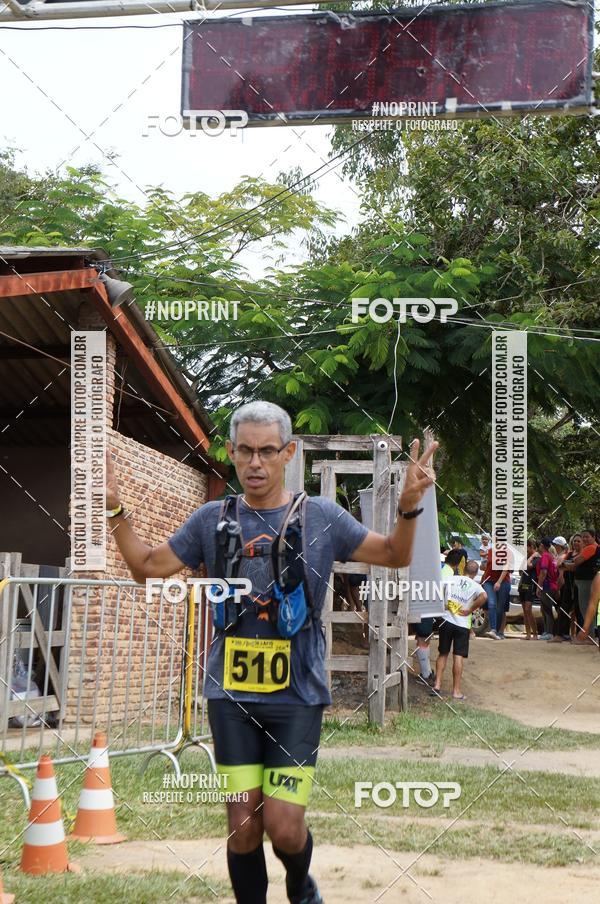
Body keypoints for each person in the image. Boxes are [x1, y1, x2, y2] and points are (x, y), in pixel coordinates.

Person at [105, 400, 438, 904]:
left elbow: (396, 554)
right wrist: (114, 509)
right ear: (233, 454)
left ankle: (300, 887)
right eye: (244, 452)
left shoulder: (322, 517)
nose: (255, 463)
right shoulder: (210, 520)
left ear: (289, 453)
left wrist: (409, 505)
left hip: (297, 696)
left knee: (283, 826)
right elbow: (147, 567)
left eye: (266, 451)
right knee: (242, 825)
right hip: (230, 696)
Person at [431, 555, 486, 700]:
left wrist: (444, 604)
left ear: (464, 568)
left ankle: (437, 685)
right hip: (462, 625)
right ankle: (456, 691)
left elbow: (436, 587)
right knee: (458, 656)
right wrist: (470, 609)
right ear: (475, 573)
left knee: (443, 653)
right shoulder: (475, 586)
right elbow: (484, 597)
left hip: (446, 621)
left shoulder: (452, 579)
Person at [560, 529, 600, 631]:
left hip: (586, 582)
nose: (584, 539)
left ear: (594, 537)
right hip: (587, 582)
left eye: (587, 536)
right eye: (583, 537)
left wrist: (564, 565)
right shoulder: (594, 548)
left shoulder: (590, 548)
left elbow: (576, 561)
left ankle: (589, 636)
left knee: (585, 609)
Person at [480, 545, 511, 639]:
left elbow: (506, 567)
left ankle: (499, 631)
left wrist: (499, 582)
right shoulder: (490, 551)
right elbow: (486, 568)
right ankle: (493, 630)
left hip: (503, 582)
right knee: (491, 603)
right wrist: (483, 580)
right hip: (489, 581)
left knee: (500, 608)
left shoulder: (507, 552)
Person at [549, 536, 572, 642]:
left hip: (562, 587)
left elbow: (561, 576)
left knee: (562, 610)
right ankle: (563, 633)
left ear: (559, 546)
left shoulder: (563, 557)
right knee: (560, 610)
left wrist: (558, 589)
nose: (553, 546)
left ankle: (562, 633)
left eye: (555, 544)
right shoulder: (559, 556)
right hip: (558, 586)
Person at [535, 538, 559, 641]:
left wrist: (539, 586)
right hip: (552, 585)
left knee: (547, 610)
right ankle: (547, 631)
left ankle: (549, 632)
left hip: (547, 586)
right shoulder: (551, 556)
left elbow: (543, 572)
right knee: (545, 609)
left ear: (542, 545)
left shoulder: (545, 556)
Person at [517, 538, 540, 640]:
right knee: (524, 611)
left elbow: (528, 566)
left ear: (531, 546)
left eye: (527, 547)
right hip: (523, 585)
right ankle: (528, 634)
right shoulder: (526, 557)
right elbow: (520, 571)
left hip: (531, 586)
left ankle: (535, 633)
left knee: (528, 609)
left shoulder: (537, 558)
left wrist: (529, 558)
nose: (525, 549)